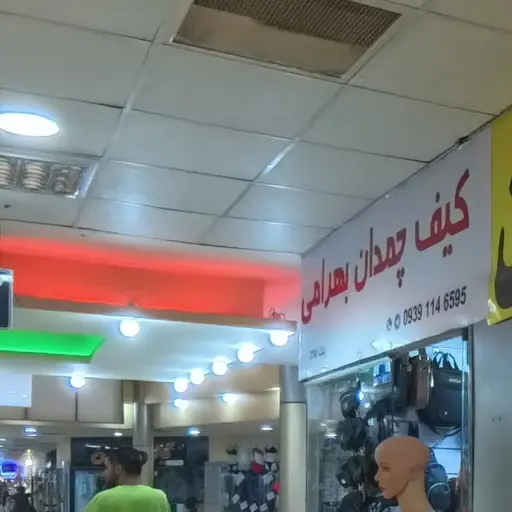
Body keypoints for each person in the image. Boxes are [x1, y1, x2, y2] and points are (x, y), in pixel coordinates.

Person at [85, 446, 170, 512]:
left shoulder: (103, 499)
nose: (104, 473)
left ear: (118, 469)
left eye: (107, 468)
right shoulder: (159, 498)